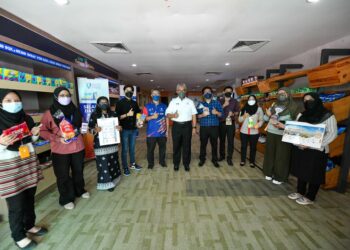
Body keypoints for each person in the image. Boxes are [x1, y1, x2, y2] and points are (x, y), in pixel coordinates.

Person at [0, 90, 47, 249]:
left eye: (16, 99)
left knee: (29, 198)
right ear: (1, 102)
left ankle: (29, 225)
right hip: (9, 168)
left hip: (27, 163)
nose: (13, 103)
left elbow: (30, 141)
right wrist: (1, 143)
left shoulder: (26, 118)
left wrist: (35, 134)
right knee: (16, 204)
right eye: (8, 100)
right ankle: (18, 235)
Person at [40, 87, 89, 210]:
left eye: (67, 95)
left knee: (78, 171)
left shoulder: (76, 110)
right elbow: (42, 131)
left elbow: (82, 124)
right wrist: (56, 138)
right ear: (56, 97)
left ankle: (80, 190)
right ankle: (66, 198)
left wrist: (84, 129)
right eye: (62, 95)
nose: (65, 97)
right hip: (60, 149)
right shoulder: (50, 113)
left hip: (78, 147)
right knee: (63, 175)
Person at [288, 93, 337, 205]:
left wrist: (315, 144)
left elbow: (332, 133)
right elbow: (296, 129)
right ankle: (300, 192)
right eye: (305, 100)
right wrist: (296, 141)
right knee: (302, 171)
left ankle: (310, 196)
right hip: (301, 148)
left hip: (317, 150)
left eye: (310, 99)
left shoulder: (327, 115)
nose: (307, 102)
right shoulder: (302, 114)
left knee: (315, 173)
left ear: (317, 100)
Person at [262, 87, 299, 185]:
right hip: (271, 132)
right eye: (279, 93)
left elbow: (297, 123)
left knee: (282, 156)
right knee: (270, 153)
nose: (281, 95)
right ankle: (268, 172)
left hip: (284, 134)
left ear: (288, 94)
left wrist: (284, 125)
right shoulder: (274, 105)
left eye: (283, 93)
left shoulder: (294, 106)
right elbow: (265, 118)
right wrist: (267, 114)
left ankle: (280, 176)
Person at [88, 96, 122, 191]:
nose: (104, 104)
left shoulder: (113, 113)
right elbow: (90, 130)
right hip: (100, 144)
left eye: (106, 102)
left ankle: (114, 179)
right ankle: (107, 183)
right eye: (101, 102)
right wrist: (95, 129)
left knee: (113, 162)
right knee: (103, 164)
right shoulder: (94, 115)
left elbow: (118, 126)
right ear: (98, 104)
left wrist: (119, 128)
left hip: (112, 142)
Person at [166, 83, 197, 171]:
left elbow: (194, 115)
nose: (181, 92)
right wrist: (173, 115)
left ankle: (186, 164)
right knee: (176, 146)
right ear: (176, 91)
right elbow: (167, 115)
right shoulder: (173, 101)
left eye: (183, 90)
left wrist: (194, 128)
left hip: (187, 126)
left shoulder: (190, 102)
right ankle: (176, 164)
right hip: (176, 127)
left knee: (187, 146)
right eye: (179, 90)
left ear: (186, 91)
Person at [116, 85, 142, 176]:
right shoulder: (119, 103)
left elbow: (138, 113)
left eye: (131, 91)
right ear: (124, 91)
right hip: (124, 130)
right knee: (125, 149)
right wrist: (127, 114)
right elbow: (117, 117)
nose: (129, 92)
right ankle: (125, 167)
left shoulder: (135, 103)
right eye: (127, 90)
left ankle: (132, 164)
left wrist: (139, 121)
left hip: (134, 129)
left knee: (132, 148)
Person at [197, 86, 223, 168]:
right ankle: (202, 159)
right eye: (205, 92)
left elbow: (222, 114)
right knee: (203, 144)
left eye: (209, 92)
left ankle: (214, 160)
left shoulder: (216, 103)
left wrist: (216, 113)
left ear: (211, 93)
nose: (207, 93)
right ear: (203, 94)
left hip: (214, 127)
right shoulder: (200, 104)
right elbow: (196, 116)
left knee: (214, 144)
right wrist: (202, 115)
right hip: (204, 127)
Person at [143, 89, 168, 169]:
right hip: (151, 133)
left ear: (160, 95)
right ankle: (150, 163)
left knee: (162, 149)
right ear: (151, 95)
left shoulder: (164, 106)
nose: (156, 95)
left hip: (162, 132)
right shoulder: (147, 106)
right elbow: (143, 118)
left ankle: (162, 162)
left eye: (157, 94)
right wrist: (151, 117)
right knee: (150, 150)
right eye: (154, 94)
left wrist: (167, 131)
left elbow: (167, 118)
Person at [238, 95, 264, 168]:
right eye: (250, 99)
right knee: (243, 146)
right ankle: (243, 160)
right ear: (247, 100)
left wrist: (257, 125)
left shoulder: (259, 109)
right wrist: (244, 116)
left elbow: (262, 120)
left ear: (255, 100)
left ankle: (252, 161)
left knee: (253, 147)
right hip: (244, 131)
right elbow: (239, 120)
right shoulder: (243, 108)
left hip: (254, 132)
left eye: (253, 99)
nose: (251, 100)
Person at [218, 86, 240, 166]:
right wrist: (224, 105)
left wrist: (233, 113)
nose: (228, 92)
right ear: (223, 92)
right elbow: (216, 111)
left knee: (230, 141)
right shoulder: (219, 101)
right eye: (227, 91)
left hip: (231, 123)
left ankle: (229, 158)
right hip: (221, 123)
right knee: (222, 141)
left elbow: (237, 111)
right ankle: (222, 156)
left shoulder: (235, 101)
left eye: (230, 91)